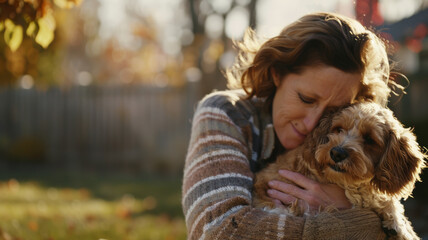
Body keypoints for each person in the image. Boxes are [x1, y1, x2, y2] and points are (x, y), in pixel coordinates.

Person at [182, 12, 405, 239]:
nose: (311, 124)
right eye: (306, 99)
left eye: (332, 112)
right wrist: (358, 222)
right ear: (277, 73)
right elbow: (219, 232)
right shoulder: (225, 113)